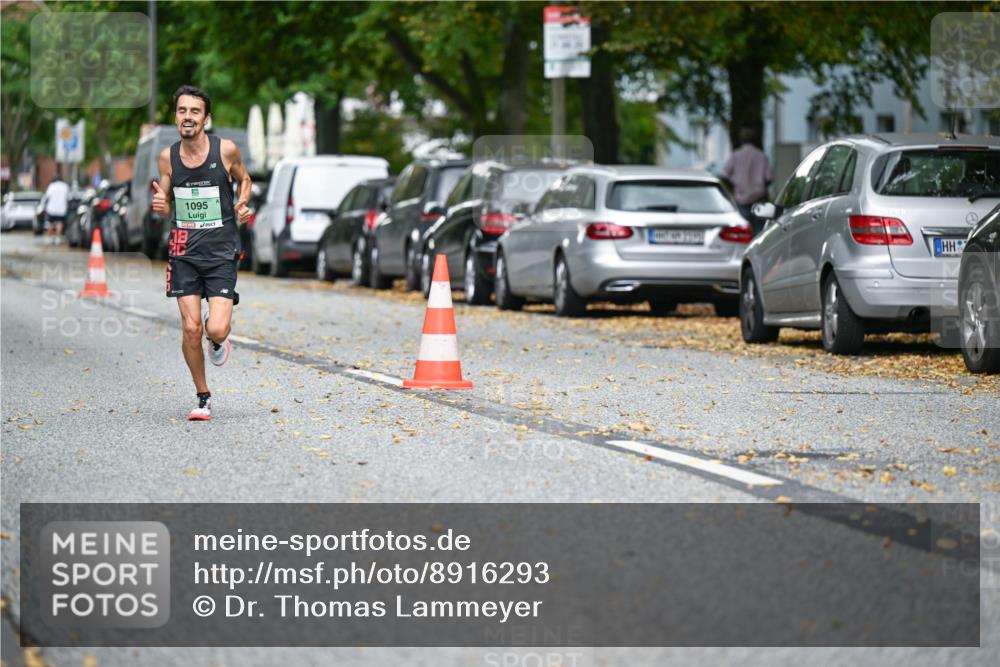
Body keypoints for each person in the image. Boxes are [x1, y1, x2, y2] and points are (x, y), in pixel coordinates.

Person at [152, 85, 252, 421]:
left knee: (216, 329)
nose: (188, 117)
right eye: (182, 111)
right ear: (176, 117)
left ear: (206, 118)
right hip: (183, 251)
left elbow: (245, 179)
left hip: (221, 251)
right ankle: (202, 395)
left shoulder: (225, 150)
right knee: (191, 328)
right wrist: (160, 203)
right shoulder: (167, 157)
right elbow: (163, 202)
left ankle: (218, 342)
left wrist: (242, 201)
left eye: (195, 111)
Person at [722, 127, 772, 235]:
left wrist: (734, 185)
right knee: (760, 231)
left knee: (744, 231)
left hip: (741, 198)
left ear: (741, 140)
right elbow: (769, 178)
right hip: (759, 198)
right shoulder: (761, 155)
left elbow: (724, 174)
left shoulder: (735, 155)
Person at [43, 171, 70, 245]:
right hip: (61, 208)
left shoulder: (51, 186)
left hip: (51, 208)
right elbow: (68, 197)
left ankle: (49, 238)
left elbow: (47, 196)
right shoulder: (65, 186)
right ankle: (58, 238)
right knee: (59, 223)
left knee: (50, 223)